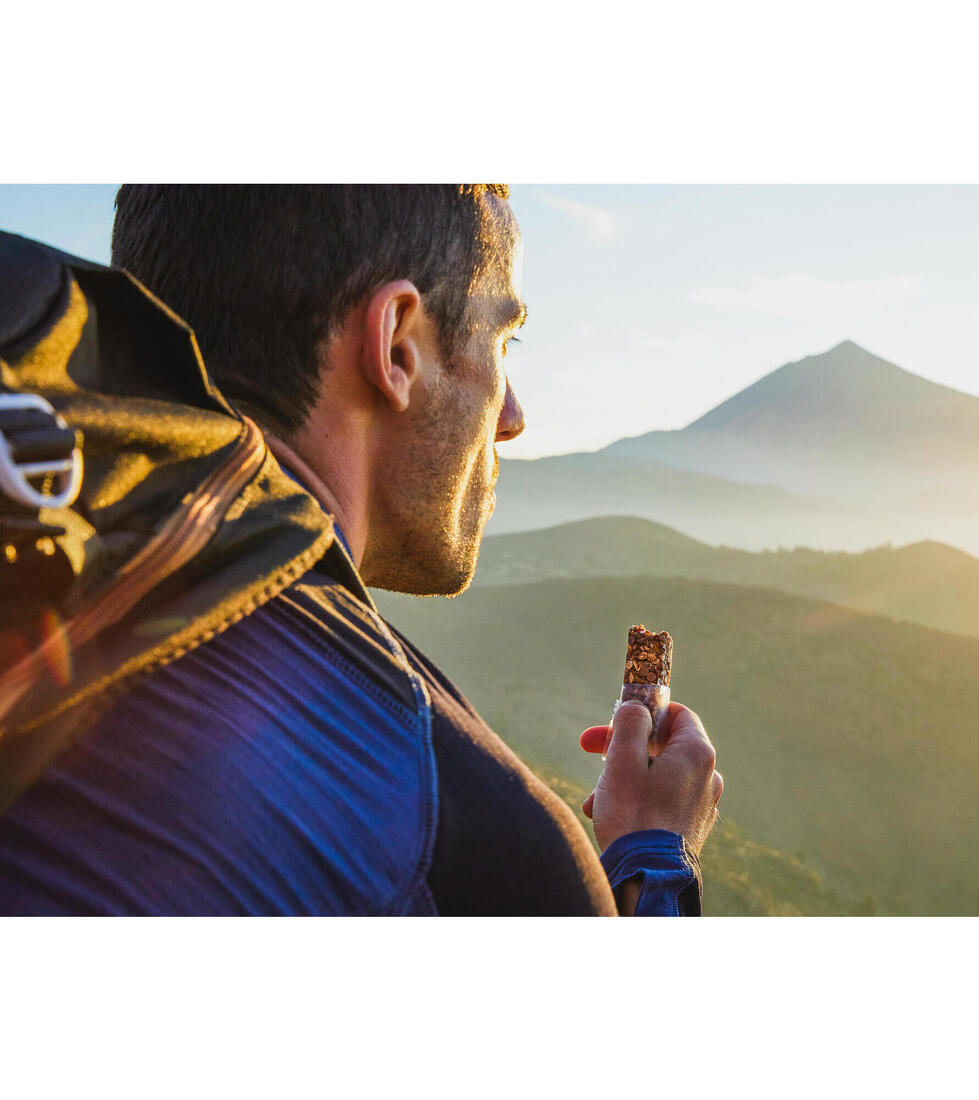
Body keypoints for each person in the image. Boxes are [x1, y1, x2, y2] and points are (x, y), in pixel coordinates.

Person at [0, 185, 723, 915]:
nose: (513, 417)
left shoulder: (49, 516)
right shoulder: (468, 832)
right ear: (397, 345)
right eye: (502, 343)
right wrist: (652, 856)